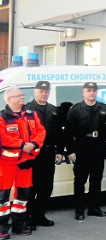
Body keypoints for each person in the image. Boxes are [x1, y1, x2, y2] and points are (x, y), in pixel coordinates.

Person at [0, 87, 46, 238]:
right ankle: (2, 228)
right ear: (9, 99)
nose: (22, 97)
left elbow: (41, 131)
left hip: (26, 162)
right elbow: (3, 137)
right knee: (3, 197)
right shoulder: (2, 117)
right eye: (18, 95)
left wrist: (33, 144)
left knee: (23, 195)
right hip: (7, 163)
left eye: (22, 95)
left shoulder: (31, 114)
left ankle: (19, 225)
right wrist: (22, 144)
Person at [65, 82, 106, 220]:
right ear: (83, 92)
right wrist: (70, 150)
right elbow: (68, 132)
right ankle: (79, 210)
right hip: (82, 149)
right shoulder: (75, 109)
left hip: (98, 149)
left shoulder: (103, 108)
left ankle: (94, 208)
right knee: (80, 181)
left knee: (96, 180)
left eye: (94, 90)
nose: (91, 93)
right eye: (89, 90)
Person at [24, 81, 63, 228]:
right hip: (32, 155)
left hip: (48, 153)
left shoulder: (53, 110)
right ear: (35, 92)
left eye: (46, 91)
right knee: (31, 187)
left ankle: (40, 216)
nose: (44, 93)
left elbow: (60, 133)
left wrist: (59, 151)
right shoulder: (26, 109)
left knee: (46, 187)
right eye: (41, 91)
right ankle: (28, 217)